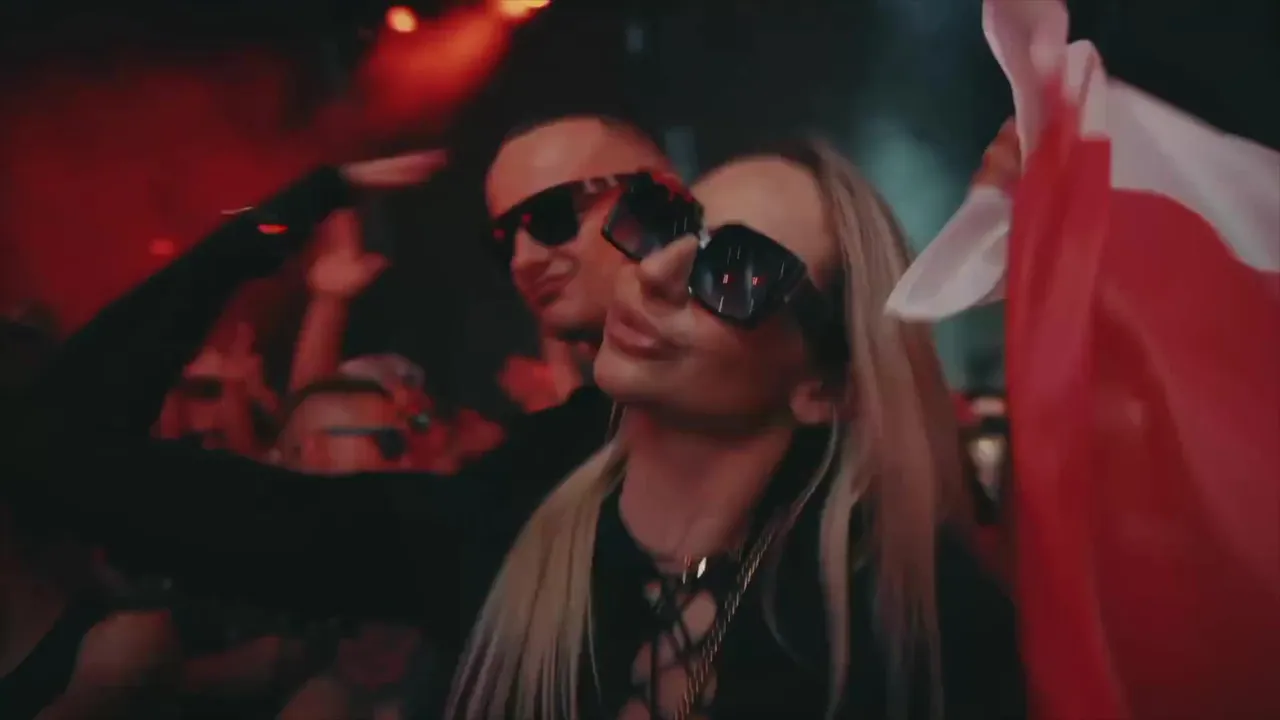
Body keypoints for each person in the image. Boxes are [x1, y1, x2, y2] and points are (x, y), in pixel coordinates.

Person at [7, 137, 1022, 718]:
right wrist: (272, 225)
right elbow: (54, 449)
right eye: (673, 229)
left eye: (737, 271)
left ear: (823, 387)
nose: (655, 273)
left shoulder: (905, 620)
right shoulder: (492, 532)